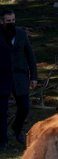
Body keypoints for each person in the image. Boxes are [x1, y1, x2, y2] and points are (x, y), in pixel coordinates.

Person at [0, 9, 37, 150]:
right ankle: (2, 141)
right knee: (1, 111)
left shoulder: (21, 34)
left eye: (13, 20)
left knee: (24, 107)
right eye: (8, 21)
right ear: (1, 21)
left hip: (20, 77)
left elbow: (30, 56)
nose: (11, 23)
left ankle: (17, 128)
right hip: (2, 78)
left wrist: (33, 76)